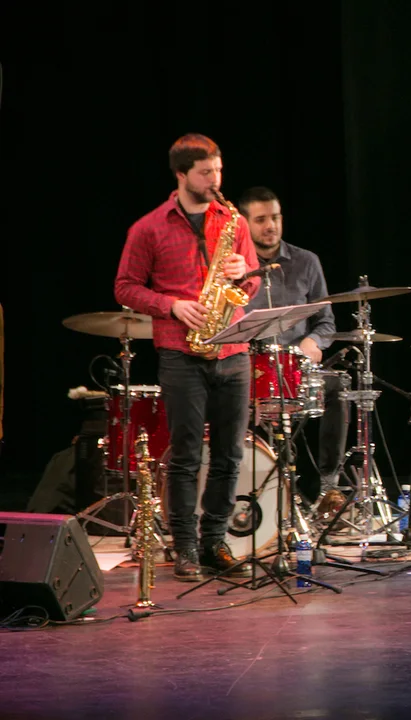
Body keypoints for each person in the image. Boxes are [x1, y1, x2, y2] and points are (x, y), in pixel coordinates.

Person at [115, 133, 261, 581]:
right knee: (185, 456)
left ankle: (215, 540)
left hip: (233, 350)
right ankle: (185, 548)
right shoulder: (148, 228)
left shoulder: (233, 220)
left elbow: (252, 281)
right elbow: (125, 287)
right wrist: (172, 306)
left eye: (219, 169)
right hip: (182, 352)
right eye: (205, 172)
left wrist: (244, 271)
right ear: (181, 174)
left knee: (230, 456)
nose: (216, 179)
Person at [238, 186, 348, 510]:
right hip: (251, 370)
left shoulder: (306, 262)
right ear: (245, 224)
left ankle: (328, 485)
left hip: (298, 368)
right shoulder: (234, 267)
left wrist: (313, 342)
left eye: (275, 217)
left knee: (339, 386)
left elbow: (326, 322)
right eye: (261, 220)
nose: (270, 225)